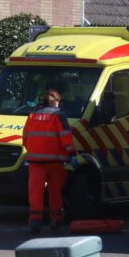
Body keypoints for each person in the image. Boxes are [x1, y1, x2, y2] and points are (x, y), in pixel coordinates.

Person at [22, 89, 75, 233]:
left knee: (35, 192)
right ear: (56, 101)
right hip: (55, 162)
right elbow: (66, 137)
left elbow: (25, 138)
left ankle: (35, 222)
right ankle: (56, 220)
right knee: (55, 192)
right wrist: (72, 153)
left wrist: (35, 151)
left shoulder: (32, 115)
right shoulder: (58, 115)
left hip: (35, 161)